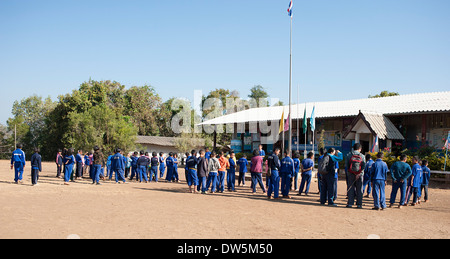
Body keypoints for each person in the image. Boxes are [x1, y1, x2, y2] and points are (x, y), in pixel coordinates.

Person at [345, 143, 366, 208]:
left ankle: (350, 203)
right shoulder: (362, 156)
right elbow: (364, 166)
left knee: (351, 188)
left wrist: (350, 172)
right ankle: (359, 204)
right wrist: (359, 173)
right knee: (359, 189)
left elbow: (346, 165)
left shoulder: (349, 155)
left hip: (351, 174)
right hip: (359, 175)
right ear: (360, 148)